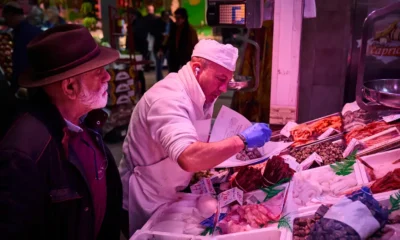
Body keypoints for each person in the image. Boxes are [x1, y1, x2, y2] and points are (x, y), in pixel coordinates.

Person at [119, 39, 272, 235]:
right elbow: (189, 157)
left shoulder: (201, 92)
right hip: (146, 197)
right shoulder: (168, 98)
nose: (224, 89)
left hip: (173, 190)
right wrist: (241, 141)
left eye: (228, 80)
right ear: (197, 68)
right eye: (220, 79)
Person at [0, 24, 122, 240]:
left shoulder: (85, 123)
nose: (107, 78)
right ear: (70, 88)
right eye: (98, 72)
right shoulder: (23, 152)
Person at [2, 2, 42, 94]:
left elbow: (21, 62)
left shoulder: (22, 33)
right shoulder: (30, 30)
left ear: (11, 15)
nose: (6, 22)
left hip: (31, 83)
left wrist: (14, 87)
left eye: (6, 18)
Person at [162, 7, 198, 73]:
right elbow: (169, 41)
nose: (176, 20)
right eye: (176, 18)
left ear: (184, 18)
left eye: (178, 18)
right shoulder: (174, 28)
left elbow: (194, 44)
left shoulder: (190, 30)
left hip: (185, 57)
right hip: (174, 57)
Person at [152, 10, 172, 81]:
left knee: (170, 65)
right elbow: (157, 37)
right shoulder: (158, 24)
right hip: (159, 48)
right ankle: (159, 81)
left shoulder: (170, 23)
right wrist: (159, 49)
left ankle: (170, 80)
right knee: (159, 65)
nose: (166, 18)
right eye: (165, 16)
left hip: (167, 47)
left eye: (167, 16)